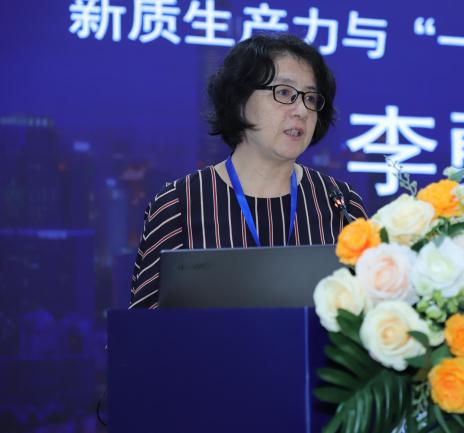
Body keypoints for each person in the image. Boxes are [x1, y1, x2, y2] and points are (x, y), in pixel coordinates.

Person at [129, 33, 368, 309]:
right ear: (239, 99)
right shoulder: (179, 204)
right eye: (285, 93)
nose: (301, 110)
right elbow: (142, 327)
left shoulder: (340, 203)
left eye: (311, 98)